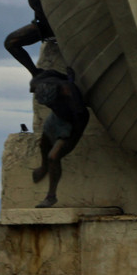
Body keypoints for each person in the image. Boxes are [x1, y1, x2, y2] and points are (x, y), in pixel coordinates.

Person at [29, 69, 90, 208]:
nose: (50, 105)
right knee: (44, 144)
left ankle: (51, 196)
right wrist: (66, 77)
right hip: (57, 117)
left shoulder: (72, 96)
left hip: (74, 122)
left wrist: (69, 139)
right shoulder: (37, 82)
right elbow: (51, 72)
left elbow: (80, 120)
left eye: (52, 102)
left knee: (53, 156)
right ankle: (44, 167)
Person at [5, 0, 54, 77]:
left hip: (47, 25)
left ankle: (35, 72)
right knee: (10, 43)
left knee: (10, 43)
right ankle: (35, 72)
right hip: (44, 24)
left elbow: (37, 3)